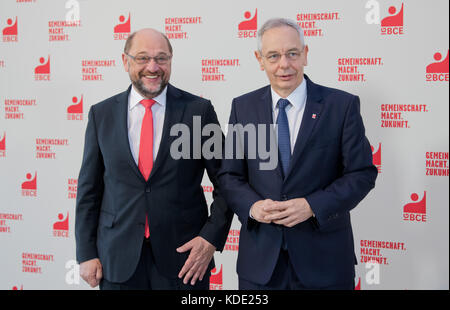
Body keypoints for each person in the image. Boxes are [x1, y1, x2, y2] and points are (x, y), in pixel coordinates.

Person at [218, 18, 378, 290]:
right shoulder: (242, 107)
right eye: (274, 56)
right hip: (260, 268)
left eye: (292, 53)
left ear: (305, 53)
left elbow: (361, 174)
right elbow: (230, 175)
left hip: (325, 264)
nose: (284, 64)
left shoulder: (341, 106)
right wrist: (253, 208)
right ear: (259, 59)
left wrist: (312, 206)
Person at [75, 28, 233, 290]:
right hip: (117, 261)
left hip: (186, 262)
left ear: (170, 61)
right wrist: (86, 252)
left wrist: (210, 238)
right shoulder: (101, 115)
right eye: (142, 58)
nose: (153, 66)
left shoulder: (198, 112)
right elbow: (89, 191)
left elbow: (227, 181)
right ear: (125, 61)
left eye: (162, 58)